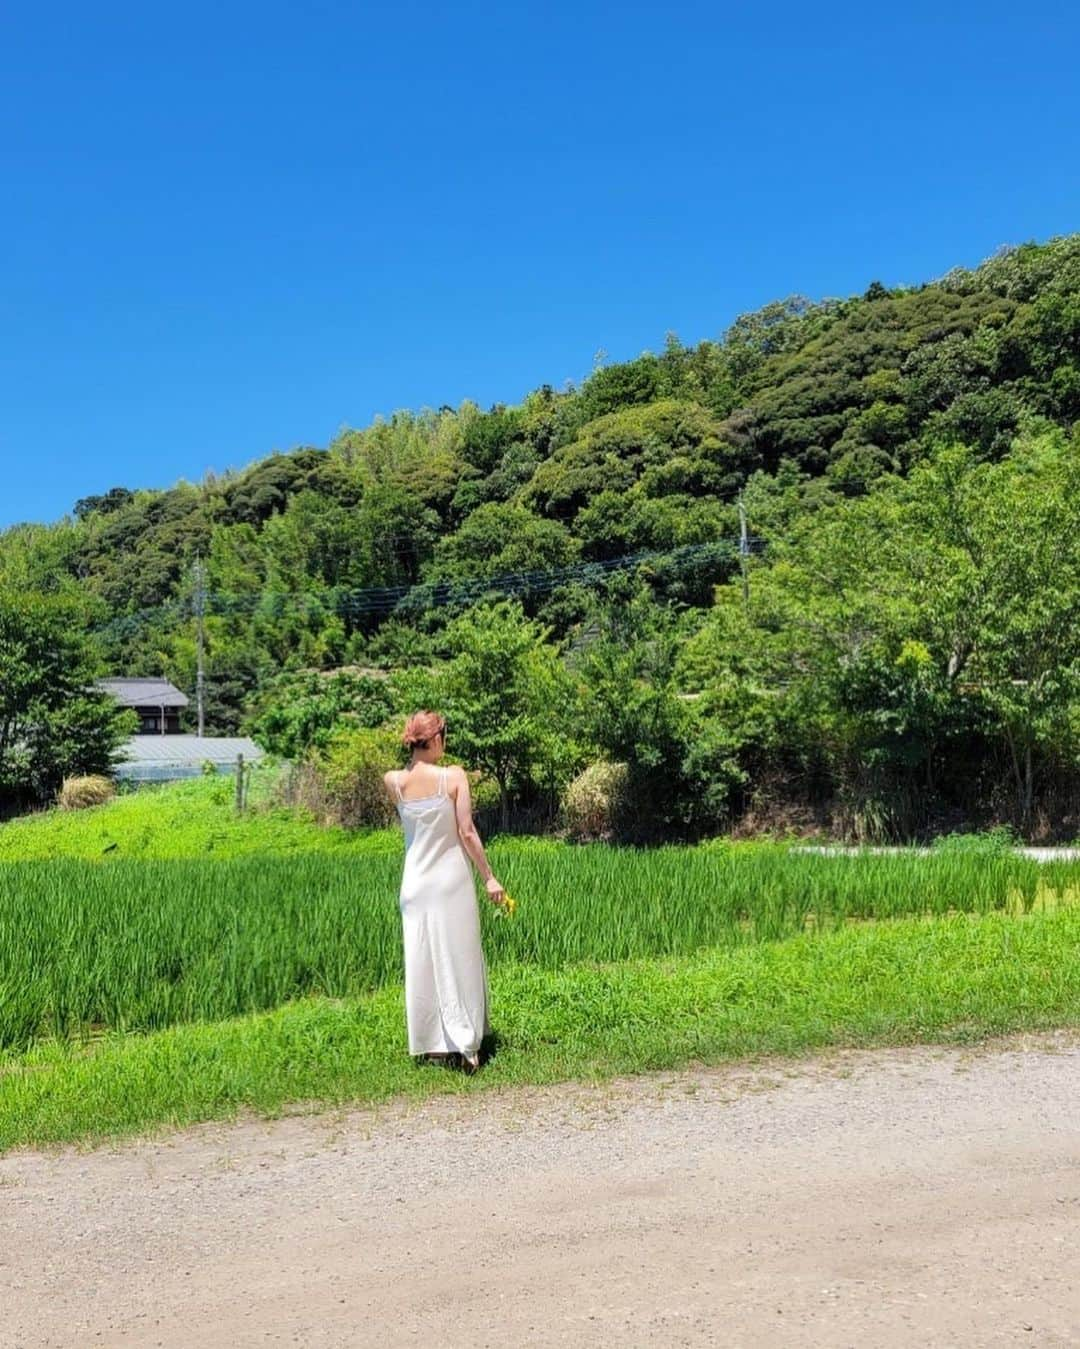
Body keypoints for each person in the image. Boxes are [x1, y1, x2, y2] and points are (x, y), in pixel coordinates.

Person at [383, 710, 507, 1072]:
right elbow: (466, 832)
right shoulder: (452, 777)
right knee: (458, 956)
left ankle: (433, 1044)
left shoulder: (393, 781)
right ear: (436, 739)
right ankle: (467, 1045)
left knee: (423, 959)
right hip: (450, 881)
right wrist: (489, 877)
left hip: (415, 885)